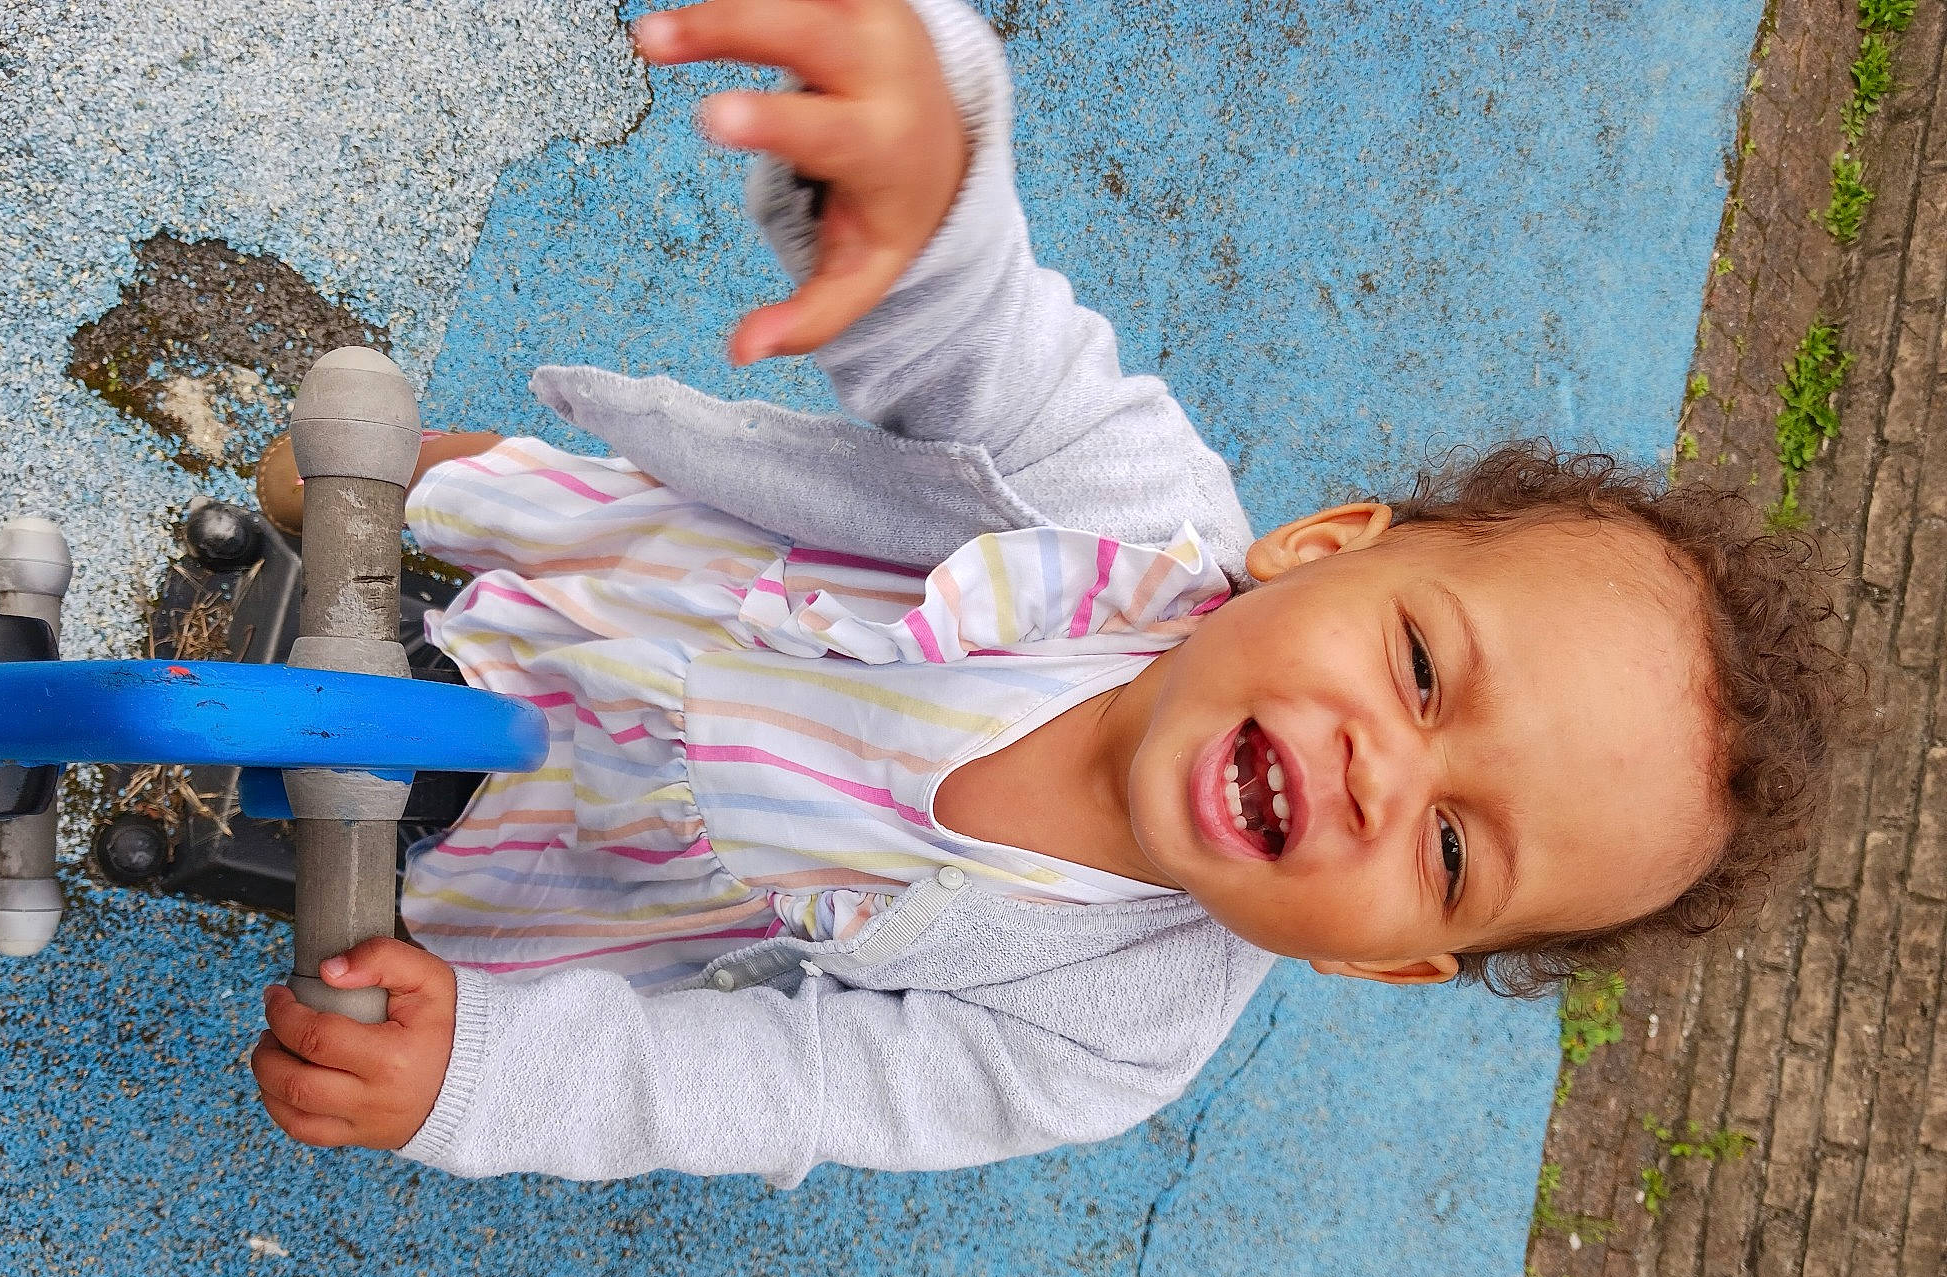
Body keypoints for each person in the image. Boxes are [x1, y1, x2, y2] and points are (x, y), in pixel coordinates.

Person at [248, 0, 1848, 1188]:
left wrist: (496, 1082)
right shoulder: (1140, 522)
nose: (1384, 769)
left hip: (595, 869)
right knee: (310, 483)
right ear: (1316, 548)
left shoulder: (1116, 1038)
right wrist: (918, 173)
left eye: (1448, 847)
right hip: (648, 595)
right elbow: (985, 336)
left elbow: (789, 1082)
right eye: (1423, 669)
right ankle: (378, 520)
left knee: (349, 945)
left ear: (1380, 961)